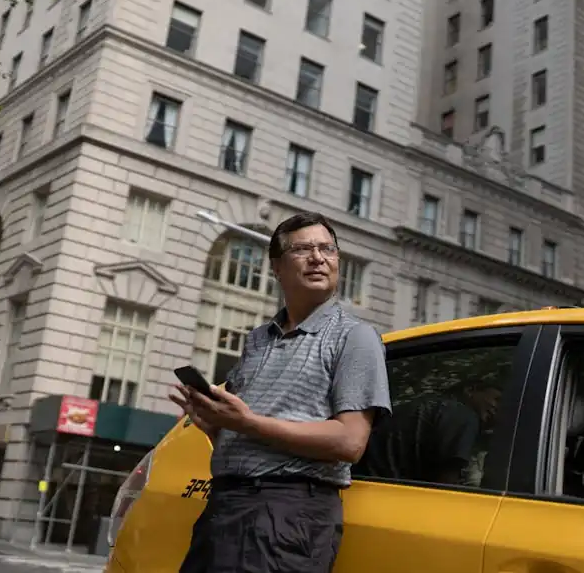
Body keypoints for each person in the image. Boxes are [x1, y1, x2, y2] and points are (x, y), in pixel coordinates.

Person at [170, 211, 391, 573]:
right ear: (277, 267)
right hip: (225, 504)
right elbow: (250, 429)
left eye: (328, 249)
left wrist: (248, 423)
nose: (318, 258)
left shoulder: (355, 337)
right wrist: (215, 426)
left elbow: (350, 442)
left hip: (288, 514)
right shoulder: (258, 339)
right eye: (303, 249)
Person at [355, 381, 500, 486]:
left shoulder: (426, 406)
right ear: (470, 389)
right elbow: (447, 486)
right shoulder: (463, 416)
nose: (499, 410)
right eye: (497, 400)